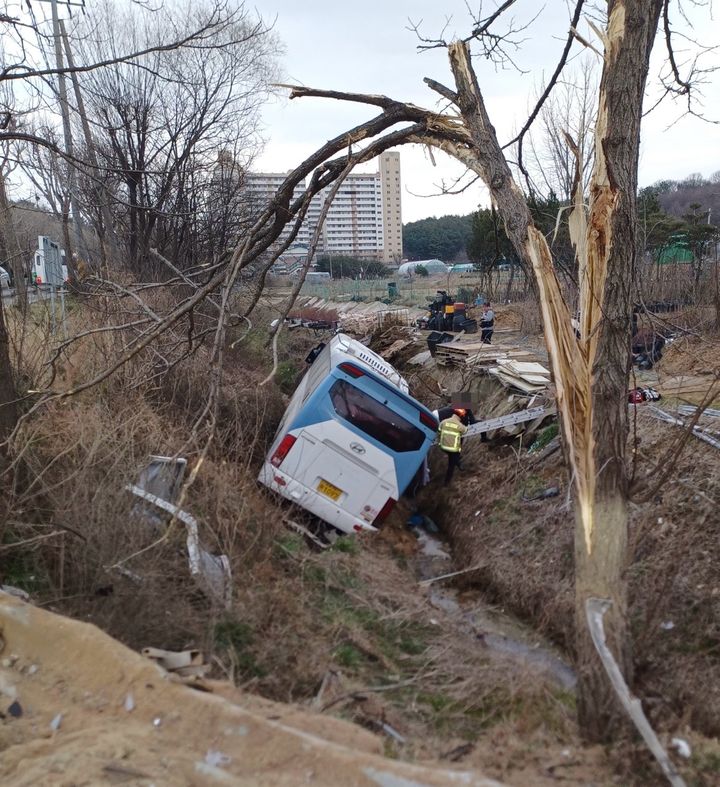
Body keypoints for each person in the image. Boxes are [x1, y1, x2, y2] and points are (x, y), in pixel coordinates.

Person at [438, 408, 467, 486]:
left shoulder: (444, 422)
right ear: (460, 416)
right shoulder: (459, 425)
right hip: (453, 449)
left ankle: (458, 463)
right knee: (451, 466)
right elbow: (465, 430)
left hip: (443, 447)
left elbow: (439, 430)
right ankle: (446, 483)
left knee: (454, 458)